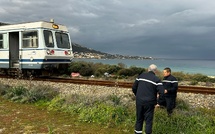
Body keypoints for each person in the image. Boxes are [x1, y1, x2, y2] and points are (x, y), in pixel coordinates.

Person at [132, 64, 164, 134]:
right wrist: (159, 102)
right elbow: (162, 92)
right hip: (150, 103)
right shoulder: (157, 80)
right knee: (148, 121)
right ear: (156, 71)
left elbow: (134, 87)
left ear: (148, 69)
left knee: (139, 119)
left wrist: (137, 96)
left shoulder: (141, 76)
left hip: (139, 101)